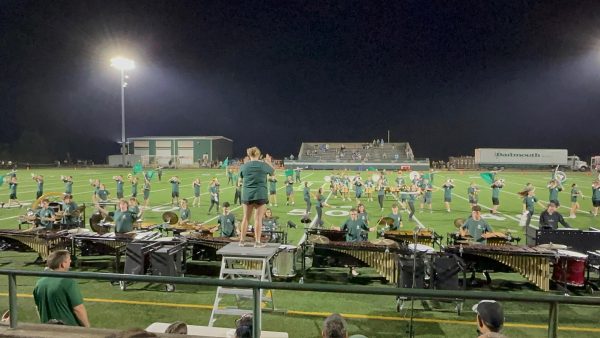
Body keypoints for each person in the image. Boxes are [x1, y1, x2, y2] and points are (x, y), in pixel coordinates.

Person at [33, 250, 90, 327]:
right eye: (68, 260)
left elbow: (38, 308)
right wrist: (87, 328)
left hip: (48, 329)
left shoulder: (39, 283)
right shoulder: (68, 282)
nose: (70, 261)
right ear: (62, 264)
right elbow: (78, 309)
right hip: (69, 330)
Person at [239, 146, 275, 247]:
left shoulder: (244, 166)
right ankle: (257, 242)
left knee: (246, 218)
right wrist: (268, 161)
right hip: (260, 194)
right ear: (259, 155)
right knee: (258, 219)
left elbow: (241, 177)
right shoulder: (263, 165)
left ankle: (242, 240)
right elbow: (273, 172)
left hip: (247, 194)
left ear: (249, 155)